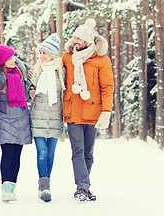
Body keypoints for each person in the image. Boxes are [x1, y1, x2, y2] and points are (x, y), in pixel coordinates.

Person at [62, 18, 114, 201]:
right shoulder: (67, 57)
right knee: (77, 151)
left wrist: (106, 112)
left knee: (88, 154)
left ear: (88, 41)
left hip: (93, 112)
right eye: (75, 37)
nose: (76, 41)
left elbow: (107, 87)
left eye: (79, 38)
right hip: (73, 111)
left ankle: (83, 186)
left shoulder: (101, 60)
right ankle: (83, 187)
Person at [0, 45, 32, 202]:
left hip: (21, 117)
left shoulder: (19, 75)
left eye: (14, 57)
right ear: (1, 61)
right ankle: (5, 188)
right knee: (8, 153)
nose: (14, 60)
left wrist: (15, 61)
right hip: (5, 117)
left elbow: (27, 92)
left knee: (17, 155)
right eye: (9, 58)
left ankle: (12, 187)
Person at [26, 34, 65, 202]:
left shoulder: (61, 73)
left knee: (51, 154)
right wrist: (31, 92)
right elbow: (27, 93)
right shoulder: (35, 72)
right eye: (40, 53)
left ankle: (46, 182)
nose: (41, 56)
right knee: (42, 153)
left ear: (53, 55)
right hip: (38, 119)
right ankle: (44, 187)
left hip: (55, 119)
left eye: (45, 53)